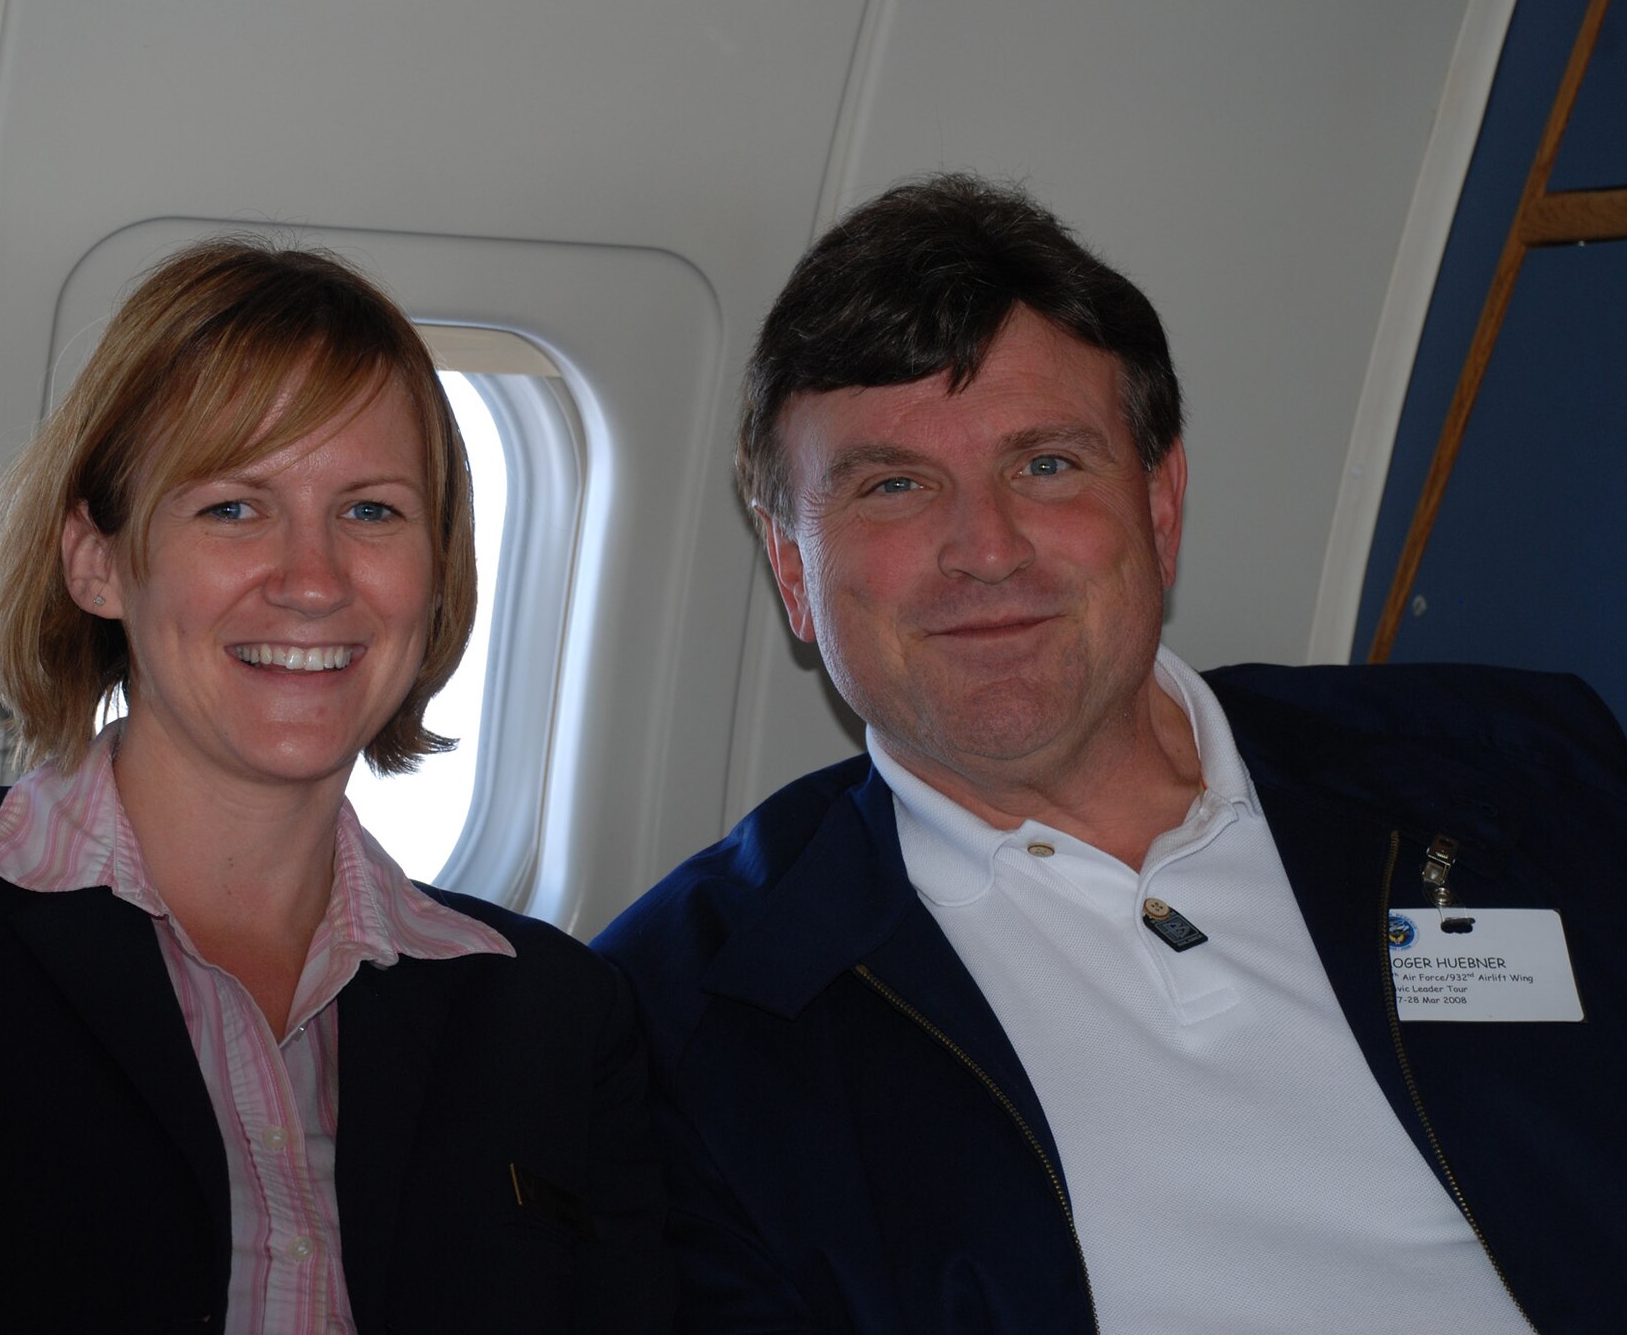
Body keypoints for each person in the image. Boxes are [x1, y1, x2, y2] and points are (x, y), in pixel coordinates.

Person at [594, 174, 1627, 1332]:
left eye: (1045, 464)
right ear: (791, 570)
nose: (983, 550)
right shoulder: (683, 1020)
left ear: (1161, 501)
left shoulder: (1521, 770)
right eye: (893, 485)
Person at [0, 239, 673, 1333]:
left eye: (371, 510)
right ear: (96, 560)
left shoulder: (558, 1013)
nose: (314, 580)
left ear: (437, 571)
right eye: (234, 506)